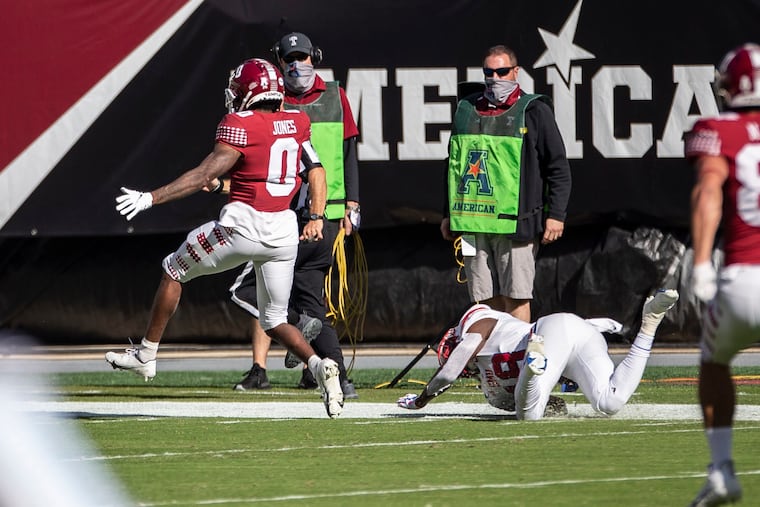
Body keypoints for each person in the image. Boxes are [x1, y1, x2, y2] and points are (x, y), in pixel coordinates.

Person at [104, 58, 344, 418]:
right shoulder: (297, 122)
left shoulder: (239, 123)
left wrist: (150, 197)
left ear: (247, 91)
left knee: (173, 269)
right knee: (274, 319)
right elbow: (315, 172)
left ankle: (146, 354)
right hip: (282, 234)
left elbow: (205, 172)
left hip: (242, 228)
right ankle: (319, 367)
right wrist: (316, 216)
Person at [229, 31, 361, 396]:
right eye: (290, 59)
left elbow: (348, 153)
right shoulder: (271, 99)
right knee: (309, 299)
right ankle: (336, 377)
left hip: (309, 214)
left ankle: (297, 336)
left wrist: (352, 205)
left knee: (251, 287)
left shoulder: (334, 95)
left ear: (314, 57)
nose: (297, 65)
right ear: (280, 63)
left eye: (302, 57)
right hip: (289, 208)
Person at [397, 289, 679, 420]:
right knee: (610, 403)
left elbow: (450, 371)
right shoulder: (488, 380)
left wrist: (422, 399)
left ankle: (534, 365)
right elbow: (548, 405)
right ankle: (650, 323)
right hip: (573, 337)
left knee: (528, 416)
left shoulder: (475, 323)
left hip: (547, 334)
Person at [440, 44, 572, 322]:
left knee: (516, 296)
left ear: (515, 71)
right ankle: (491, 361)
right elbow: (454, 165)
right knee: (481, 301)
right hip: (472, 223)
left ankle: (515, 360)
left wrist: (556, 215)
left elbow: (557, 167)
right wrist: (447, 213)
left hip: (516, 224)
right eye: (489, 72)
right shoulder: (466, 108)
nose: (495, 78)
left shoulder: (534, 110)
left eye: (502, 71)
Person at [685, 42, 760, 506]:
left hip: (742, 279)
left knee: (714, 362)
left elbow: (708, 193)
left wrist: (699, 263)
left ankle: (722, 468)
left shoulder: (718, 130)